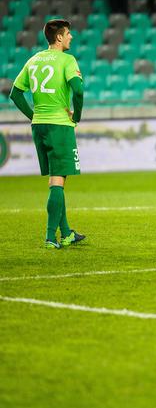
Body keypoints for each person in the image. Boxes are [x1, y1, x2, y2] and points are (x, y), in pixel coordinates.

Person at [9, 19, 86, 249]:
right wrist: (77, 116)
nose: (71, 37)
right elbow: (79, 90)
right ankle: (51, 237)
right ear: (59, 37)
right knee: (58, 182)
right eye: (69, 34)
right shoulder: (67, 60)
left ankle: (67, 233)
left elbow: (15, 93)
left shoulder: (33, 60)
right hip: (59, 125)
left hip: (39, 126)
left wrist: (33, 116)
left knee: (57, 179)